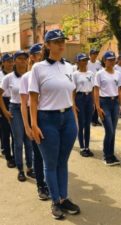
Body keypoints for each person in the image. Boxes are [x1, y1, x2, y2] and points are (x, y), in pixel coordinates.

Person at [29, 29, 80, 219]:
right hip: (47, 119)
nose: (61, 44)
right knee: (50, 163)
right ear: (48, 45)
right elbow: (33, 99)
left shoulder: (69, 67)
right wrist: (34, 125)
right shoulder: (38, 68)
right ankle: (55, 201)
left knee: (63, 162)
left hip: (67, 118)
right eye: (56, 41)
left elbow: (71, 95)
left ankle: (64, 197)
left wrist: (74, 117)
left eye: (62, 41)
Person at [19, 43, 49, 199]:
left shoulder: (48, 73)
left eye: (42, 53)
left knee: (49, 154)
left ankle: (50, 183)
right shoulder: (26, 77)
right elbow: (23, 104)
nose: (41, 56)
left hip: (47, 115)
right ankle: (41, 186)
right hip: (33, 115)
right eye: (38, 54)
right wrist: (27, 125)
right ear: (31, 56)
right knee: (38, 154)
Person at [0, 51, 34, 182]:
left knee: (29, 140)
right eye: (19, 58)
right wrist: (5, 111)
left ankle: (30, 168)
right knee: (18, 141)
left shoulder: (31, 76)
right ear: (14, 61)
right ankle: (20, 169)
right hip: (15, 109)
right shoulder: (9, 78)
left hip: (29, 109)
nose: (22, 61)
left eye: (24, 59)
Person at [94, 51, 121, 166]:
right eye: (109, 60)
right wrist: (97, 107)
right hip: (104, 102)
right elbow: (96, 91)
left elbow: (119, 89)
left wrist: (120, 105)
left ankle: (111, 154)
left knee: (113, 131)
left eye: (113, 59)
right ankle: (106, 155)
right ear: (104, 61)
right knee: (109, 130)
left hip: (114, 102)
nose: (111, 61)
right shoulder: (99, 74)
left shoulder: (119, 74)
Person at [73, 53, 95, 157]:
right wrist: (73, 104)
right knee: (81, 124)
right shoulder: (75, 74)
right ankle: (82, 147)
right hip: (80, 97)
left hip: (89, 97)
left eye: (86, 60)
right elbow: (72, 90)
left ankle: (87, 147)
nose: (85, 62)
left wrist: (94, 102)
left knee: (88, 125)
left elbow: (93, 89)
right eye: (82, 60)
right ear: (77, 62)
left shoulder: (91, 73)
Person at [0, 53, 15, 168]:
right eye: (8, 61)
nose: (10, 63)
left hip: (14, 103)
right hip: (3, 103)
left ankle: (15, 155)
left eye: (11, 61)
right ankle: (9, 157)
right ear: (3, 63)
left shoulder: (16, 75)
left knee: (15, 132)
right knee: (5, 133)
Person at [88, 49, 102, 127]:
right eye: (93, 54)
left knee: (97, 102)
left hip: (96, 86)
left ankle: (95, 120)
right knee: (90, 103)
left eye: (96, 54)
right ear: (90, 54)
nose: (95, 55)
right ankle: (90, 118)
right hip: (88, 86)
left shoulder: (98, 63)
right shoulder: (87, 63)